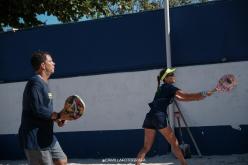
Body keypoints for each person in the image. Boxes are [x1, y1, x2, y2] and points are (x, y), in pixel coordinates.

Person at [135, 68, 212, 165]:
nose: (173, 76)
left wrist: (197, 98)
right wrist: (201, 94)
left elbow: (180, 98)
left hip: (149, 117)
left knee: (146, 147)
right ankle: (184, 164)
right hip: (159, 116)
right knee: (174, 143)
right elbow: (185, 96)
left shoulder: (161, 89)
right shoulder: (169, 87)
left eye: (173, 74)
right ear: (166, 78)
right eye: (171, 75)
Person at [18, 51, 72, 165]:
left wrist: (58, 118)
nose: (54, 63)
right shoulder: (35, 83)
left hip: (47, 137)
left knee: (62, 161)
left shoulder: (44, 83)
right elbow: (38, 110)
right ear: (43, 65)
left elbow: (45, 110)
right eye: (50, 61)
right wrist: (57, 115)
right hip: (35, 140)